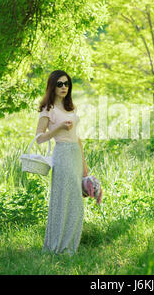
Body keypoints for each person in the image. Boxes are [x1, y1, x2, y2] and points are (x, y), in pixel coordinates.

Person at [35, 70, 88, 255]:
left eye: (66, 84)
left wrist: (84, 164)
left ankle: (70, 245)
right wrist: (57, 127)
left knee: (76, 204)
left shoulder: (71, 108)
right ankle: (58, 247)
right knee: (64, 201)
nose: (64, 87)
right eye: (60, 84)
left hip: (75, 154)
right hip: (62, 154)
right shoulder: (47, 110)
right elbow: (39, 138)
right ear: (52, 86)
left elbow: (77, 137)